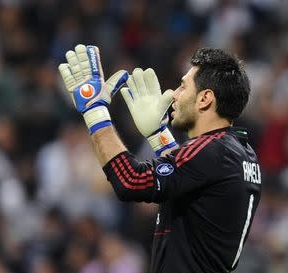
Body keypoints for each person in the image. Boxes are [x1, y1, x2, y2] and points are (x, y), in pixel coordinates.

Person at [58, 45, 261, 273]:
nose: (174, 94)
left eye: (183, 86)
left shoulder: (212, 150)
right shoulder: (240, 152)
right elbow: (185, 181)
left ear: (205, 98)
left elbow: (131, 181)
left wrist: (94, 110)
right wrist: (158, 136)